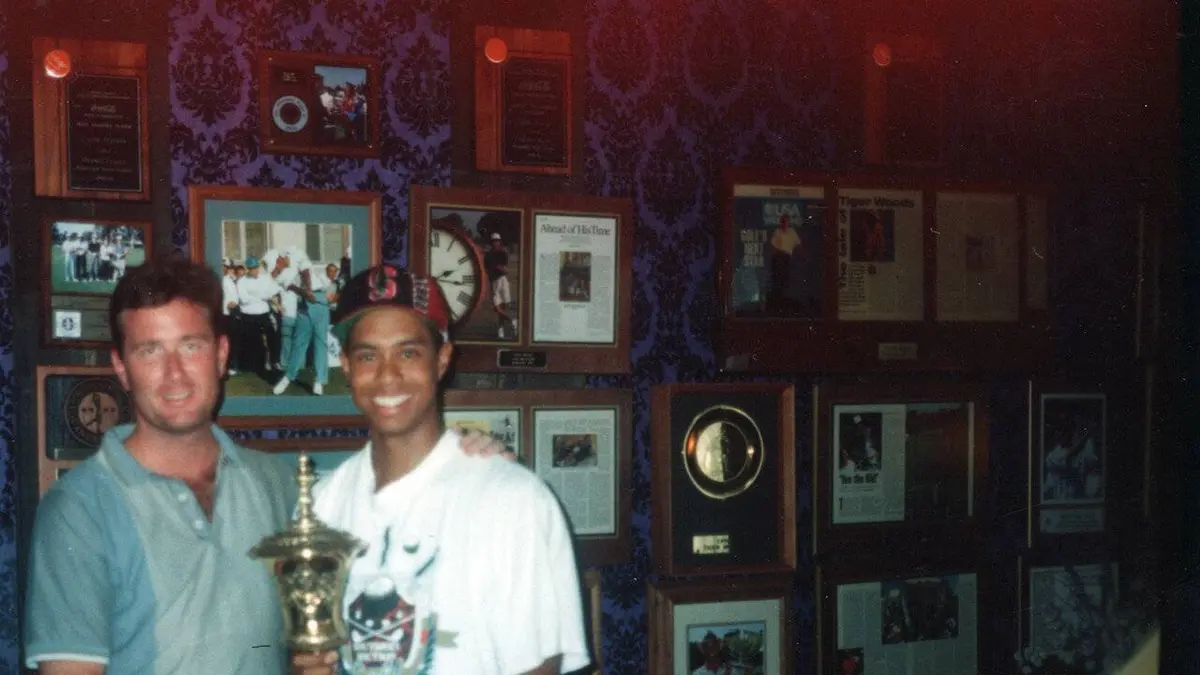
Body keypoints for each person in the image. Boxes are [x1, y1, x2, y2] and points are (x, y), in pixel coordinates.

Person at [23, 257, 511, 675]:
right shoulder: (79, 511)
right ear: (122, 367)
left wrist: (464, 455)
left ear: (221, 354)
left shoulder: (280, 486)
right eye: (150, 351)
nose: (174, 374)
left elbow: (381, 508)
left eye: (191, 346)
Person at [292, 264, 589, 675]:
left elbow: (538, 667)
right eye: (367, 356)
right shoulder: (320, 507)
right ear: (346, 365)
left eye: (408, 353)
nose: (388, 376)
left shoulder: (513, 501)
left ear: (442, 359)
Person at [484, 232, 516, 339]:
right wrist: (499, 268)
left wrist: (499, 267)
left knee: (504, 306)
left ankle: (501, 329)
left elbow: (504, 266)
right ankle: (513, 321)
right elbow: (490, 268)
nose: (496, 243)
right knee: (497, 308)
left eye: (497, 241)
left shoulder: (502, 253)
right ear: (491, 242)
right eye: (494, 241)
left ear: (499, 241)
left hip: (502, 280)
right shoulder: (488, 255)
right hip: (494, 281)